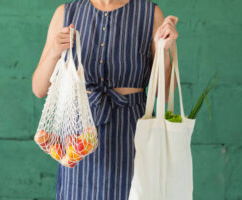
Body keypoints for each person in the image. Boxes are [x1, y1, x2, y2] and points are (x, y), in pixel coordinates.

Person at [32, 0, 179, 199]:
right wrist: (54, 52)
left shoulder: (149, 13)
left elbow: (166, 95)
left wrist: (165, 51)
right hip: (79, 139)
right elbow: (39, 89)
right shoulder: (67, 13)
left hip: (133, 137)